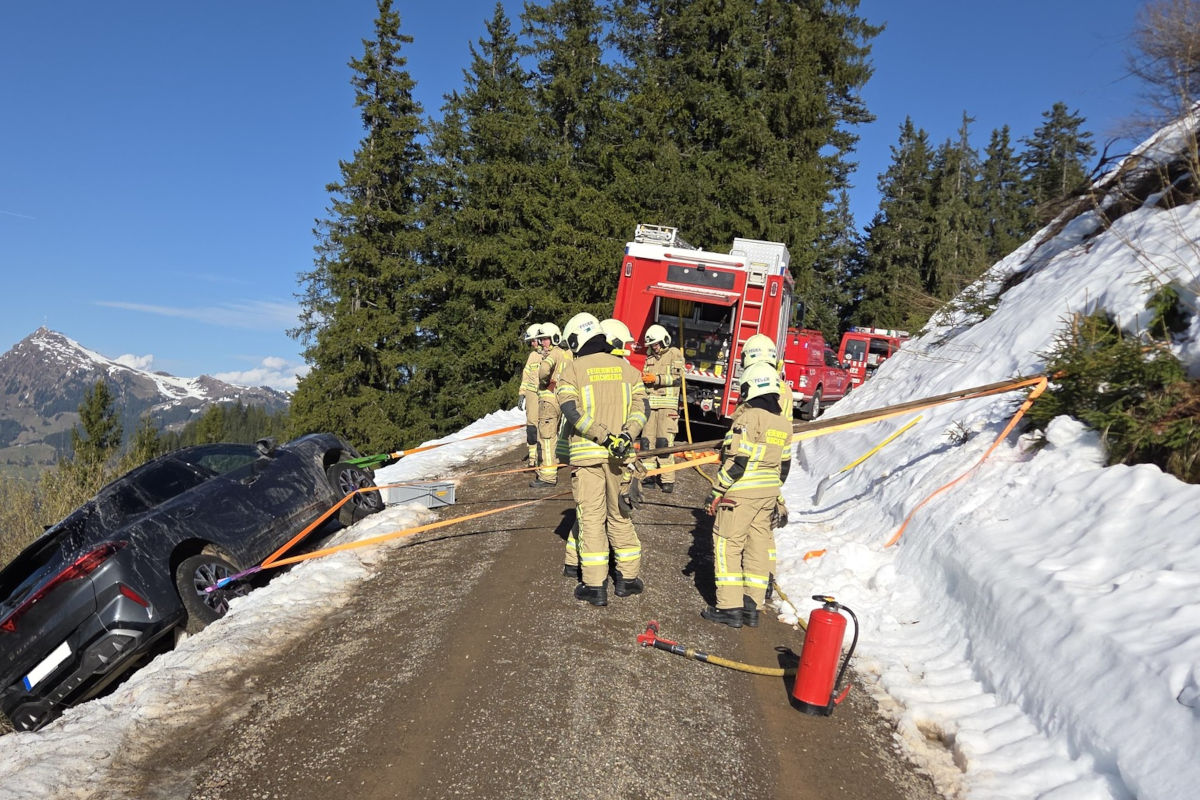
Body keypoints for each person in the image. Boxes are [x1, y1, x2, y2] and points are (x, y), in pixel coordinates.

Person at [556, 312, 648, 606]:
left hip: (588, 459)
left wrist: (603, 436)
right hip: (621, 458)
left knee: (592, 520)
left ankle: (595, 587)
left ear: (576, 340)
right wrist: (625, 435)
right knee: (621, 516)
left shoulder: (573, 369)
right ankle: (627, 579)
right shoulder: (628, 370)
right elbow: (641, 410)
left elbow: (571, 412)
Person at [701, 361, 793, 628]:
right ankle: (751, 605)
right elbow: (784, 467)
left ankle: (729, 607)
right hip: (767, 494)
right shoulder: (784, 424)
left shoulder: (748, 418)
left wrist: (716, 491)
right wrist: (776, 496)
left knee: (727, 544)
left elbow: (737, 461)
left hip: (741, 493)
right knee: (757, 547)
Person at [639, 324, 685, 494]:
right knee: (646, 442)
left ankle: (667, 480)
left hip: (668, 406)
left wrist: (656, 378)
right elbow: (645, 375)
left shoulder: (675, 354)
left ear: (664, 340)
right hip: (651, 405)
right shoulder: (650, 356)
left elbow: (677, 377)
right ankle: (649, 476)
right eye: (652, 345)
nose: (654, 347)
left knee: (664, 442)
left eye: (657, 344)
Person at [531, 322, 568, 488]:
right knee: (554, 435)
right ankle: (552, 466)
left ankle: (547, 476)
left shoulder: (554, 354)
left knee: (546, 438)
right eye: (541, 340)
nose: (542, 343)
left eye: (545, 339)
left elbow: (544, 370)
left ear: (554, 338)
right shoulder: (567, 354)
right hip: (560, 400)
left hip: (548, 401)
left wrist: (544, 380)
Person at [520, 323, 546, 467]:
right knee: (531, 427)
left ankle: (546, 456)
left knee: (547, 426)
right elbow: (526, 375)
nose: (532, 344)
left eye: (534, 341)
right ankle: (532, 459)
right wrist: (522, 393)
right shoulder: (532, 356)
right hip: (532, 396)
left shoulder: (552, 354)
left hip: (547, 396)